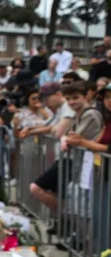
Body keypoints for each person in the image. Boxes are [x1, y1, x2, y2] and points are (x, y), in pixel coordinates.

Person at [31, 81, 106, 211]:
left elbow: (71, 138)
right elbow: (65, 136)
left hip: (86, 164)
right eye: (69, 99)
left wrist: (66, 139)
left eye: (76, 97)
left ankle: (65, 216)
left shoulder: (91, 114)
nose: (72, 102)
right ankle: (64, 217)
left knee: (84, 206)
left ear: (85, 96)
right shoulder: (78, 114)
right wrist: (65, 139)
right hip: (78, 163)